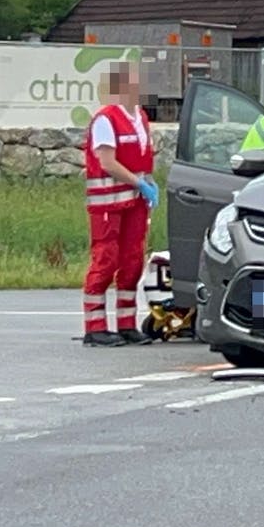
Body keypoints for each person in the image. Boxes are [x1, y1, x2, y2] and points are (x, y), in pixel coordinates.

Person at [81, 62, 158, 347]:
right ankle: (95, 326)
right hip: (108, 204)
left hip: (135, 202)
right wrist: (139, 183)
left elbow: (142, 156)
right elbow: (107, 162)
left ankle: (126, 323)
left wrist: (147, 181)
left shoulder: (140, 117)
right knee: (106, 259)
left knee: (132, 261)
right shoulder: (106, 119)